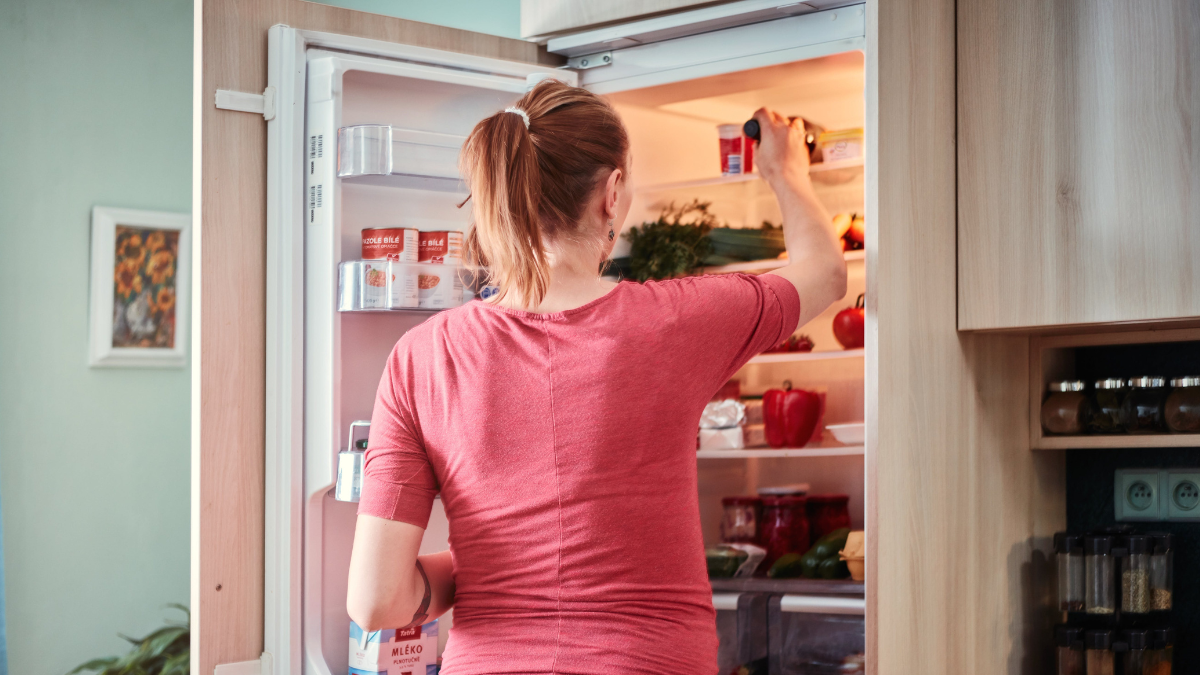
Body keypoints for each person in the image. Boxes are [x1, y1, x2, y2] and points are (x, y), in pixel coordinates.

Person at [346, 79, 847, 674]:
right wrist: (786, 171)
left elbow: (375, 601)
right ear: (611, 193)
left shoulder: (421, 356)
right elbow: (824, 273)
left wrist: (497, 563)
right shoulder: (677, 321)